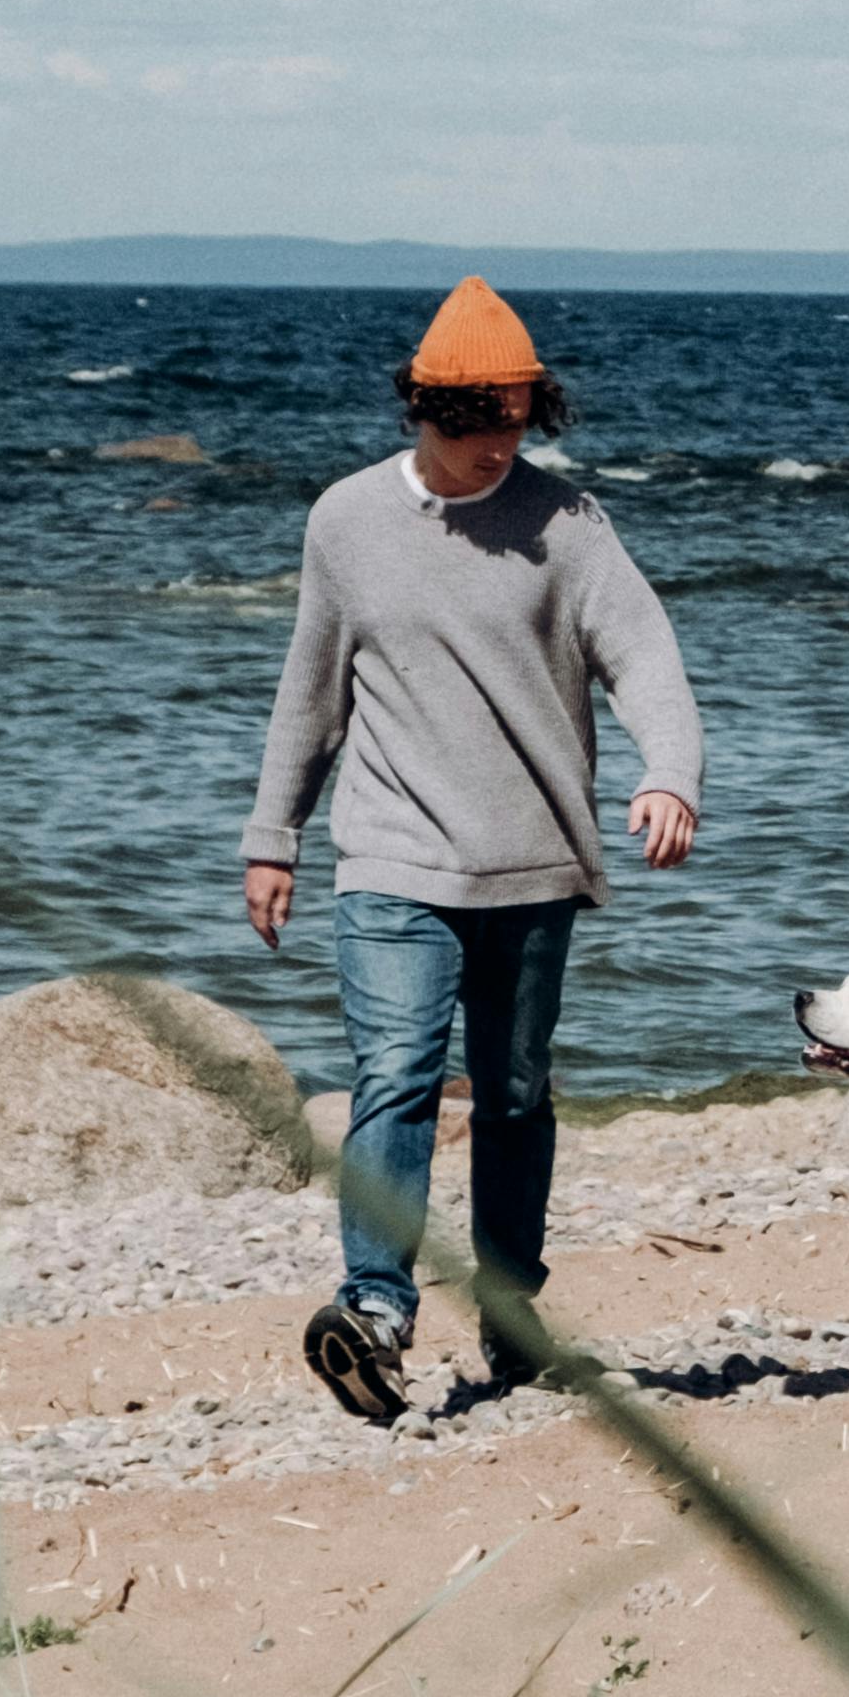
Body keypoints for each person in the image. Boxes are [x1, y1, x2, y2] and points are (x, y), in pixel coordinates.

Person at [242, 277, 703, 1425]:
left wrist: (669, 774)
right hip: (390, 852)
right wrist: (274, 836)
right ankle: (377, 1312)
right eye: (478, 419)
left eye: (517, 417)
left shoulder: (571, 525)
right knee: (396, 1073)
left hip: (534, 856)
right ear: (424, 407)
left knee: (510, 1092)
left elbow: (647, 654)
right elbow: (311, 690)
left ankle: (511, 1313)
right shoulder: (345, 520)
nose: (500, 442)